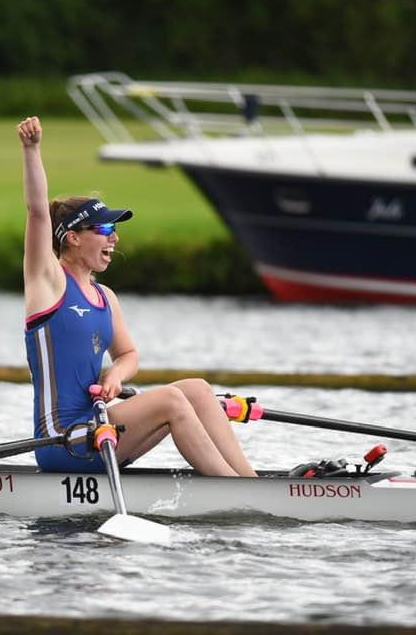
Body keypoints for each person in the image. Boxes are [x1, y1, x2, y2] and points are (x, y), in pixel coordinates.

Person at [17, 116, 257, 477]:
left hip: (101, 429)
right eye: (105, 228)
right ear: (72, 237)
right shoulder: (48, 282)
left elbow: (128, 355)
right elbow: (37, 214)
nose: (114, 237)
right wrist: (31, 150)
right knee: (172, 399)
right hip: (63, 441)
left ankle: (248, 482)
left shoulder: (105, 297)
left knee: (196, 389)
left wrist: (115, 375)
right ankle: (234, 491)